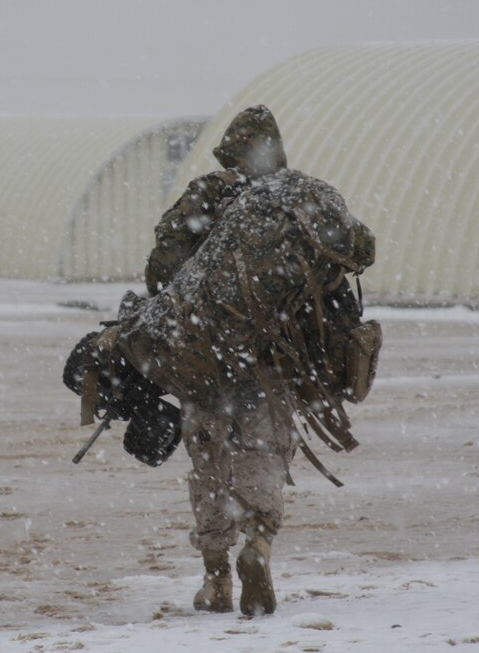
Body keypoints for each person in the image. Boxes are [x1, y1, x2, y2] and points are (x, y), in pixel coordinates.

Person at [123, 106, 379, 616]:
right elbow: (361, 250)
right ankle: (258, 544)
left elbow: (161, 269)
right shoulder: (301, 198)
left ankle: (216, 577)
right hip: (271, 358)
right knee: (264, 451)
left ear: (231, 152)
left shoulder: (207, 194)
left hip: (203, 357)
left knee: (209, 461)